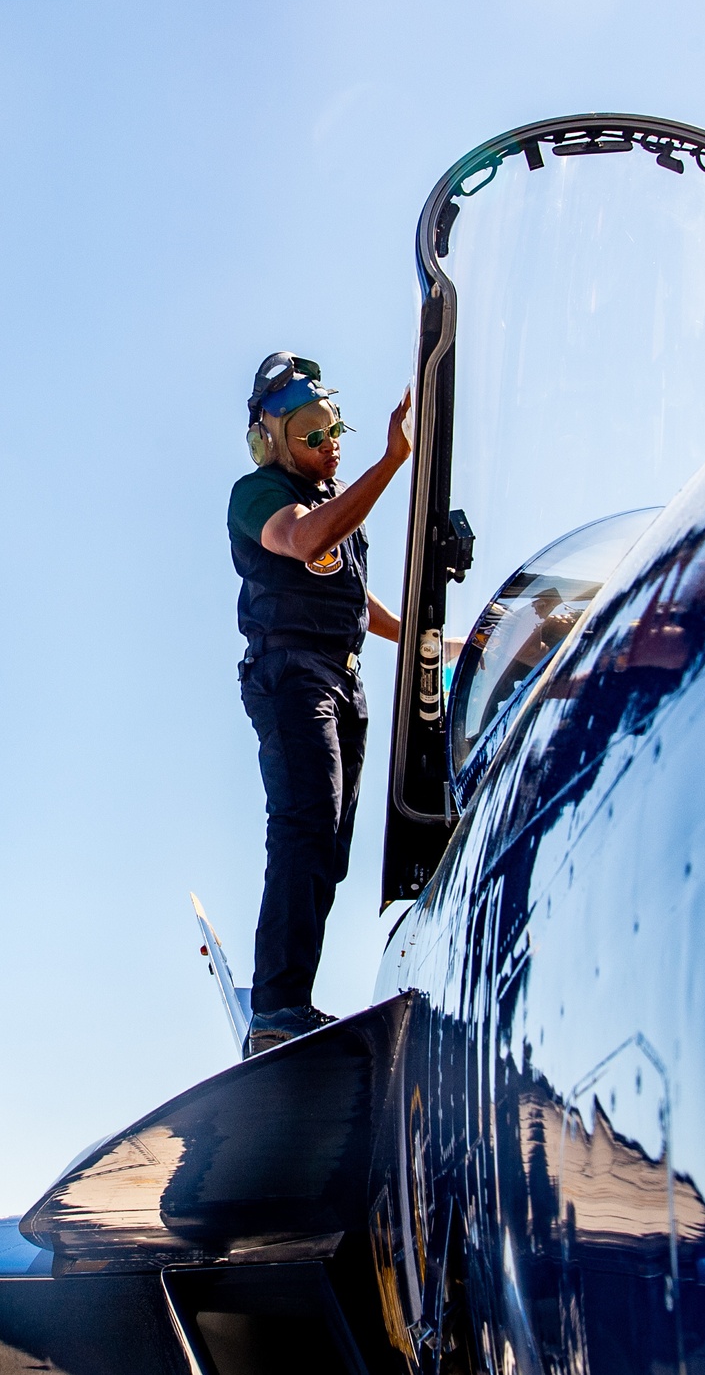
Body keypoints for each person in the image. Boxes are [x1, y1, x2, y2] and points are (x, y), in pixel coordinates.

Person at [227, 352, 412, 1057]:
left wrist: (439, 642)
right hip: (291, 673)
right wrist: (393, 461)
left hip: (344, 676)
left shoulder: (331, 509)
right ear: (273, 440)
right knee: (305, 824)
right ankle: (276, 1007)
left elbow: (356, 597)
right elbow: (303, 543)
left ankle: (290, 1000)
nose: (330, 445)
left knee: (329, 844)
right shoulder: (258, 494)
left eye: (333, 431)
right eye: (312, 433)